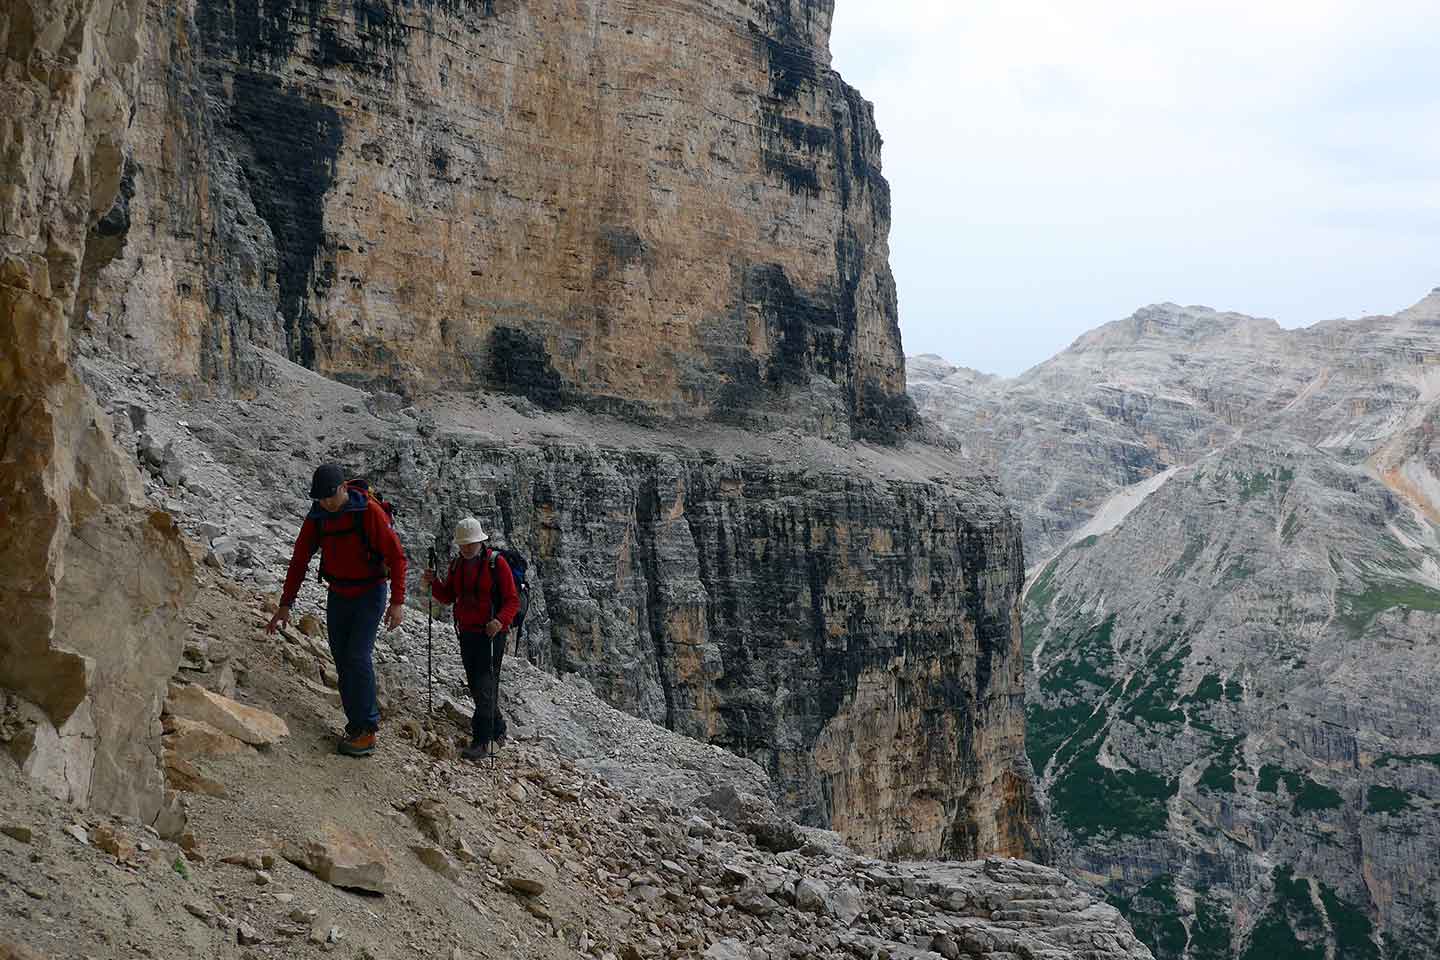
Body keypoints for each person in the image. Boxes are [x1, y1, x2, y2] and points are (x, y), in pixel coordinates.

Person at [267, 463, 407, 757]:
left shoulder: (369, 512)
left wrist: (397, 602)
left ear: (343, 488)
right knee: (342, 660)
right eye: (320, 499)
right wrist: (285, 604)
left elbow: (396, 556)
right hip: (339, 593)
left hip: (370, 592)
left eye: (330, 497)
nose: (326, 504)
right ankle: (355, 725)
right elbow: (299, 559)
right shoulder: (318, 515)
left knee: (357, 656)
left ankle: (367, 730)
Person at [423, 518, 520, 761]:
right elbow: (448, 596)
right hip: (467, 633)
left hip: (491, 635)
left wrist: (499, 621)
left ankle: (482, 741)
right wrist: (433, 583)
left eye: (471, 544)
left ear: (480, 541)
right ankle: (498, 730)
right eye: (463, 544)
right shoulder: (457, 565)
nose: (467, 548)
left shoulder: (496, 565)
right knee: (478, 687)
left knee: (485, 686)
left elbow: (512, 600)